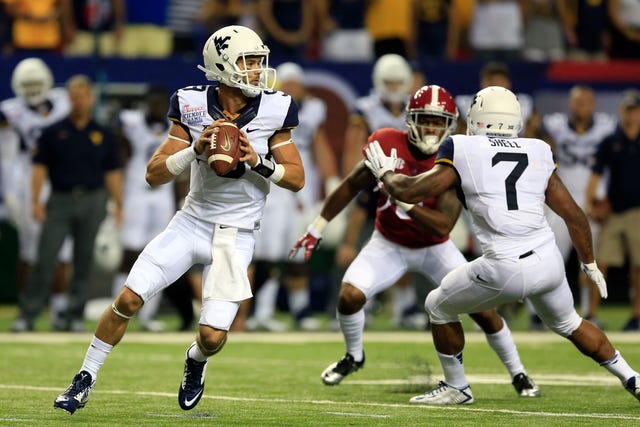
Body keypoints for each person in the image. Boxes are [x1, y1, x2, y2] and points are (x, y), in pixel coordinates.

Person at [53, 25, 304, 415]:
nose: (258, 70)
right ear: (223, 66)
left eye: (258, 61)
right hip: (192, 222)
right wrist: (193, 150)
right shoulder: (191, 104)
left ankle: (195, 361)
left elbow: (297, 178)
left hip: (235, 234)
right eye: (249, 62)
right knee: (128, 297)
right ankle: (83, 378)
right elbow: (154, 174)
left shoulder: (275, 107)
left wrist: (257, 161)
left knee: (213, 336)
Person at [363, 86, 640, 405]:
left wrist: (385, 173)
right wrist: (589, 263)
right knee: (571, 323)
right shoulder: (538, 148)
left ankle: (457, 387)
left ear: (477, 116)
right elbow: (574, 215)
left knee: (437, 305)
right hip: (547, 261)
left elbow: (411, 192)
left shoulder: (462, 147)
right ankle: (631, 376)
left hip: (504, 265)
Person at [290, 85, 540, 398]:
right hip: (389, 243)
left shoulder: (457, 155)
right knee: (350, 296)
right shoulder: (385, 143)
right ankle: (354, 356)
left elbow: (442, 226)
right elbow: (351, 184)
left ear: (450, 125)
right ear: (411, 119)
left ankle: (519, 373)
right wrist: (317, 227)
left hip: (435, 248)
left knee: (484, 313)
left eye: (439, 121)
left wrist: (405, 200)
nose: (432, 128)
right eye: (426, 120)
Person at [11, 74, 123, 333]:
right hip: (60, 199)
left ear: (91, 99)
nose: (80, 101)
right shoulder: (53, 132)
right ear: (69, 99)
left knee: (83, 260)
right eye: (75, 97)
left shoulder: (102, 134)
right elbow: (39, 168)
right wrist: (36, 200)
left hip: (94, 199)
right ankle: (28, 314)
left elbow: (113, 172)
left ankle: (74, 315)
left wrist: (119, 203)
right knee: (45, 257)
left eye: (84, 96)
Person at [248, 61, 339, 332]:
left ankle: (300, 311)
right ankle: (260, 312)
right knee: (268, 254)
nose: (292, 88)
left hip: (302, 189)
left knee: (298, 252)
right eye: (287, 84)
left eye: (296, 84)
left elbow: (319, 146)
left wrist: (331, 180)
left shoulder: (311, 110)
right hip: (273, 186)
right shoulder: (266, 107)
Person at [112, 85, 195, 332]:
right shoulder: (131, 123)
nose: (159, 108)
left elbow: (182, 169)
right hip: (135, 193)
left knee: (159, 255)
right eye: (154, 103)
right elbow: (117, 144)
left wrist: (182, 201)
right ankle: (117, 309)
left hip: (162, 196)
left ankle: (147, 315)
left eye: (162, 103)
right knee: (129, 252)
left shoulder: (176, 129)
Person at [1, 58, 73, 332]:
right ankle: (26, 308)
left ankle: (59, 310)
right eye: (27, 85)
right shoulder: (10, 111)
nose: (32, 90)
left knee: (62, 250)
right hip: (27, 181)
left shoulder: (63, 102)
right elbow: (6, 155)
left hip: (59, 178)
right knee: (29, 252)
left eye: (35, 84)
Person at [543, 85, 615, 325]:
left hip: (593, 200)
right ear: (569, 104)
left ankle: (590, 312)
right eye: (577, 101)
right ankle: (540, 313)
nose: (581, 106)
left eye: (585, 101)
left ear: (593, 104)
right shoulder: (555, 126)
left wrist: (608, 198)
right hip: (561, 200)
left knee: (592, 258)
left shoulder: (607, 128)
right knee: (549, 257)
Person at [586, 89, 640, 331]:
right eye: (628, 109)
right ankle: (591, 313)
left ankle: (637, 314)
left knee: (639, 266)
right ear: (621, 111)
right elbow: (595, 176)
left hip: (638, 211)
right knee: (600, 263)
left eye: (635, 109)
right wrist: (590, 203)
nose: (631, 114)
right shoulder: (610, 141)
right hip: (614, 210)